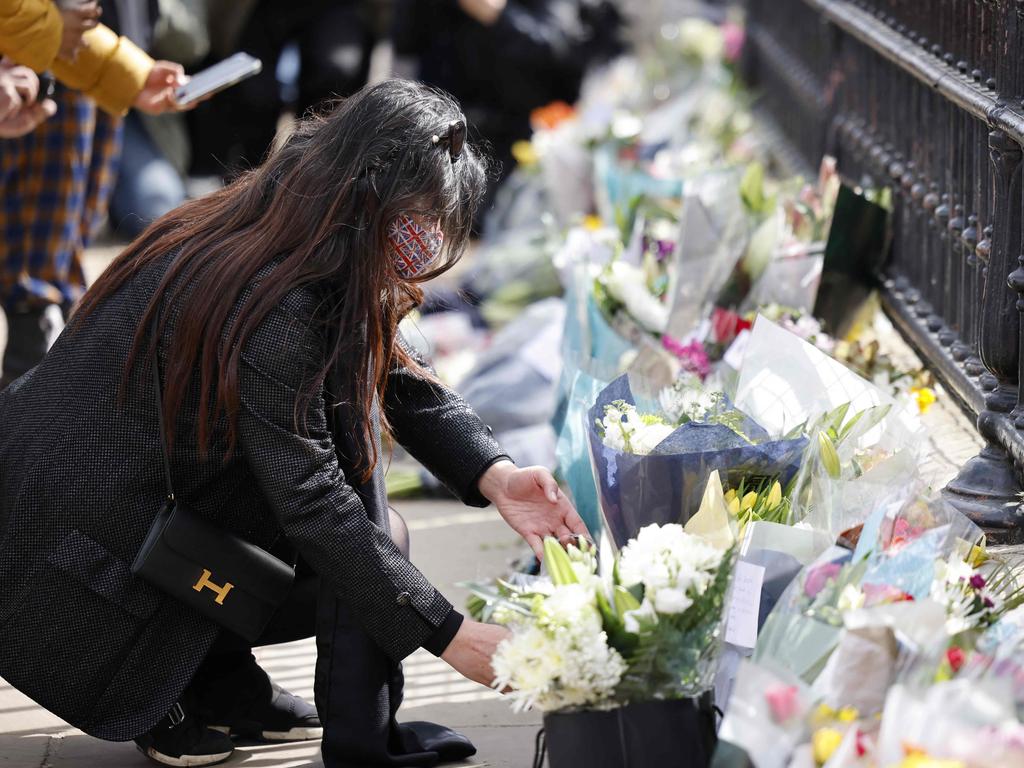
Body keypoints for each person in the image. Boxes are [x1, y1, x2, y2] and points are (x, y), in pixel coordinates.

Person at [0, 79, 587, 767]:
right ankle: (168, 687)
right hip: (72, 568)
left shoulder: (288, 218)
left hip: (109, 509)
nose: (424, 243)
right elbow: (315, 504)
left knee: (358, 537)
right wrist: (449, 635)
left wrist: (498, 475)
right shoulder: (279, 305)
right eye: (420, 218)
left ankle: (217, 680)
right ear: (372, 199)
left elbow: (395, 367)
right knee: (367, 539)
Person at [0, 0, 187, 388]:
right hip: (40, 58)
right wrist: (50, 25)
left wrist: (130, 74)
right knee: (37, 263)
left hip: (71, 55)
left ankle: (57, 329)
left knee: (69, 235)